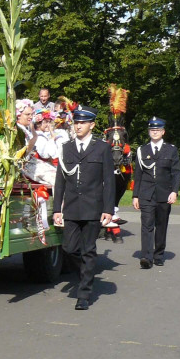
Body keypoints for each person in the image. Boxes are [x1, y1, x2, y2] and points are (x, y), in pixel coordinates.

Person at [52, 106, 115, 310]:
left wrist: (108, 209)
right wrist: (57, 209)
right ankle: (86, 271)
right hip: (71, 207)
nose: (78, 126)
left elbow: (108, 181)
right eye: (76, 122)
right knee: (69, 249)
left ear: (92, 125)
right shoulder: (66, 147)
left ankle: (84, 294)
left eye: (82, 123)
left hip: (92, 207)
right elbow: (60, 181)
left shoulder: (102, 148)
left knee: (88, 250)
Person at [133, 117, 180, 269]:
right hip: (146, 193)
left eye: (158, 130)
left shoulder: (171, 149)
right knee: (146, 225)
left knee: (161, 225)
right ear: (149, 132)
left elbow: (176, 173)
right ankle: (146, 257)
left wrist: (174, 191)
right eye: (152, 130)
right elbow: (138, 174)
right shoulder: (142, 150)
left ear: (163, 132)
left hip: (164, 193)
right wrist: (135, 195)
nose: (155, 132)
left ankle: (158, 254)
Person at [23, 109, 58, 186]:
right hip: (33, 165)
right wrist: (52, 138)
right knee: (58, 179)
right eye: (45, 122)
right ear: (38, 124)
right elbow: (45, 155)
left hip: (40, 163)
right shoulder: (40, 137)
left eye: (49, 122)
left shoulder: (43, 135)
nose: (48, 125)